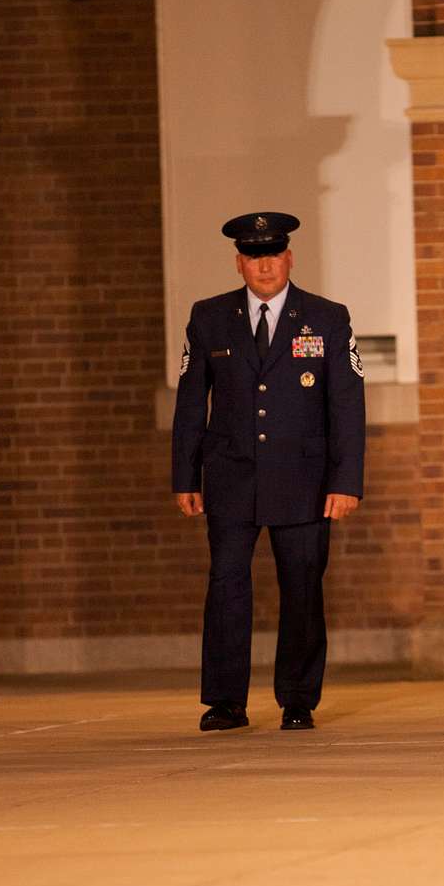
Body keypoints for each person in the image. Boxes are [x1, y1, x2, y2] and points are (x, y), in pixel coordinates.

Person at [172, 212, 366, 732]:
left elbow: (346, 405)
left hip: (304, 479)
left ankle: (298, 699)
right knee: (226, 585)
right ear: (239, 263)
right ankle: (225, 701)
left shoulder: (327, 317)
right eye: (254, 256)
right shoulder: (209, 317)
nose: (265, 265)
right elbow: (192, 401)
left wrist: (346, 482)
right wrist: (185, 477)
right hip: (232, 477)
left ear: (289, 258)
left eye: (274, 254)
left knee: (301, 586)